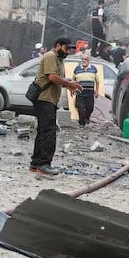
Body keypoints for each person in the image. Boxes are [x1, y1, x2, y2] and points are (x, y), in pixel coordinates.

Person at [29, 37, 82, 176]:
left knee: (43, 131)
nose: (68, 52)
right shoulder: (51, 56)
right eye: (66, 48)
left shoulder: (58, 59)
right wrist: (69, 84)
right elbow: (52, 77)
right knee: (49, 132)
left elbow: (57, 79)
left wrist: (68, 83)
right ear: (58, 46)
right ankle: (44, 164)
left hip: (49, 99)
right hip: (44, 98)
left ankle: (35, 163)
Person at [72, 53, 100, 127]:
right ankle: (81, 124)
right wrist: (73, 89)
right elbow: (73, 80)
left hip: (90, 92)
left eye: (85, 59)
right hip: (80, 92)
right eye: (83, 59)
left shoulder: (93, 68)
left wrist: (97, 91)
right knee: (80, 108)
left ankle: (87, 118)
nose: (84, 61)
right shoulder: (77, 68)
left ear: (88, 60)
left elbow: (97, 81)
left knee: (90, 108)